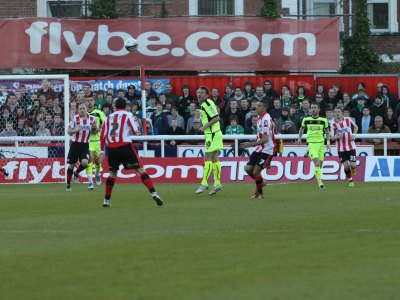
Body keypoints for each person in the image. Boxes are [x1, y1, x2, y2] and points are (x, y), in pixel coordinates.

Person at [98, 98, 163, 208]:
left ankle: (106, 200)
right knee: (140, 170)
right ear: (125, 106)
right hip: (125, 146)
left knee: (112, 174)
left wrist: (102, 151)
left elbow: (102, 135)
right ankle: (154, 193)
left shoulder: (108, 118)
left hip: (112, 148)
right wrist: (138, 129)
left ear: (115, 106)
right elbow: (136, 132)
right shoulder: (128, 115)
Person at [240, 99, 276, 199]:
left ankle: (259, 193)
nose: (256, 107)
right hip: (259, 148)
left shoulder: (265, 120)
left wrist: (250, 144)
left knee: (256, 171)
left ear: (264, 108)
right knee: (248, 169)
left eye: (259, 106)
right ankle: (261, 181)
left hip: (267, 149)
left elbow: (265, 139)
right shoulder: (260, 118)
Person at [195, 86, 223, 196]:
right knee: (214, 158)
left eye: (201, 93)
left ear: (207, 95)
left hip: (212, 135)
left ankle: (204, 183)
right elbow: (217, 111)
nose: (199, 94)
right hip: (215, 133)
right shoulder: (209, 102)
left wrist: (204, 126)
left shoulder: (206, 104)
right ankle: (217, 184)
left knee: (207, 157)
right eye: (198, 92)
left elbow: (216, 118)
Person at [297, 103, 330, 190]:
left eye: (315, 107)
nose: (313, 109)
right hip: (311, 143)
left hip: (321, 144)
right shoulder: (306, 119)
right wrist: (299, 138)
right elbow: (301, 129)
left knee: (320, 164)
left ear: (319, 109)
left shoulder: (324, 120)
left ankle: (308, 153)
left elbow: (327, 131)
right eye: (311, 108)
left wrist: (328, 142)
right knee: (317, 163)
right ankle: (320, 184)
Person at [65, 103, 97, 192]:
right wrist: (76, 130)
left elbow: (95, 131)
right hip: (75, 144)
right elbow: (68, 131)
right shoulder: (75, 118)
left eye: (83, 108)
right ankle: (68, 184)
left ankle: (77, 172)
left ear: (86, 109)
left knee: (85, 163)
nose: (82, 110)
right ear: (78, 110)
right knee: (71, 165)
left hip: (85, 145)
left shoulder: (92, 119)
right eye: (80, 109)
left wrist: (96, 128)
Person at [330, 107, 358, 187]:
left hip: (351, 147)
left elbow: (356, 127)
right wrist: (337, 137)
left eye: (339, 111)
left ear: (342, 112)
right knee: (345, 165)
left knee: (353, 165)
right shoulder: (333, 124)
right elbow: (332, 138)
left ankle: (353, 168)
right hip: (340, 148)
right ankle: (350, 180)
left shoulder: (348, 120)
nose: (337, 113)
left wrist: (354, 135)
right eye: (335, 112)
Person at [84, 96, 106, 190]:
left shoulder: (99, 113)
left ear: (94, 102)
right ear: (85, 102)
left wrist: (98, 128)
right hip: (87, 141)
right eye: (87, 100)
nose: (89, 102)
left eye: (91, 100)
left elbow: (105, 124)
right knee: (89, 161)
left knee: (97, 161)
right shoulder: (83, 114)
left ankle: (97, 173)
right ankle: (90, 182)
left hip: (98, 141)